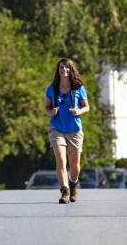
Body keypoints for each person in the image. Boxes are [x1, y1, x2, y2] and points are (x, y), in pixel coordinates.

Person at [44, 58, 89, 204]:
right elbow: (47, 107)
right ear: (58, 70)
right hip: (57, 128)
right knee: (61, 160)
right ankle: (64, 190)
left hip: (74, 129)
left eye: (67, 68)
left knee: (74, 164)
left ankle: (73, 183)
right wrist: (52, 112)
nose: (64, 70)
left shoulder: (78, 88)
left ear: (71, 70)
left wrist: (78, 111)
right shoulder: (52, 88)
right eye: (62, 67)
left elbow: (86, 107)